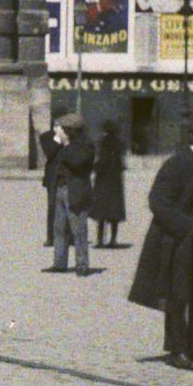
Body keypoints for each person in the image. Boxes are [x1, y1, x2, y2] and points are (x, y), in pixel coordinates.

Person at [127, 115, 193, 371]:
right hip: (180, 240)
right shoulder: (176, 164)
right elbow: (158, 201)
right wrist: (186, 227)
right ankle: (178, 349)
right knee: (178, 294)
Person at [46, 115, 96, 276]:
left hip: (76, 191)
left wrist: (66, 144)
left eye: (62, 129)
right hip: (60, 190)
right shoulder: (61, 146)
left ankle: (82, 265)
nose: (59, 132)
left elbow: (77, 162)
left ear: (71, 131)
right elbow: (50, 156)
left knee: (78, 230)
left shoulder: (86, 145)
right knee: (59, 229)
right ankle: (59, 263)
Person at [90, 119, 128, 248]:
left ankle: (100, 240)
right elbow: (122, 164)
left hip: (103, 180)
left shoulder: (103, 142)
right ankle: (113, 239)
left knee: (101, 212)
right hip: (115, 181)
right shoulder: (119, 143)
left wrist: (94, 168)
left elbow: (101, 161)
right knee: (114, 211)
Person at [37, 119, 65, 248]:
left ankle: (66, 236)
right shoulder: (46, 137)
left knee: (67, 207)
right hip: (53, 178)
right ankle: (51, 237)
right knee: (52, 207)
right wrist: (58, 138)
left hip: (65, 176)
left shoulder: (68, 135)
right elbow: (50, 152)